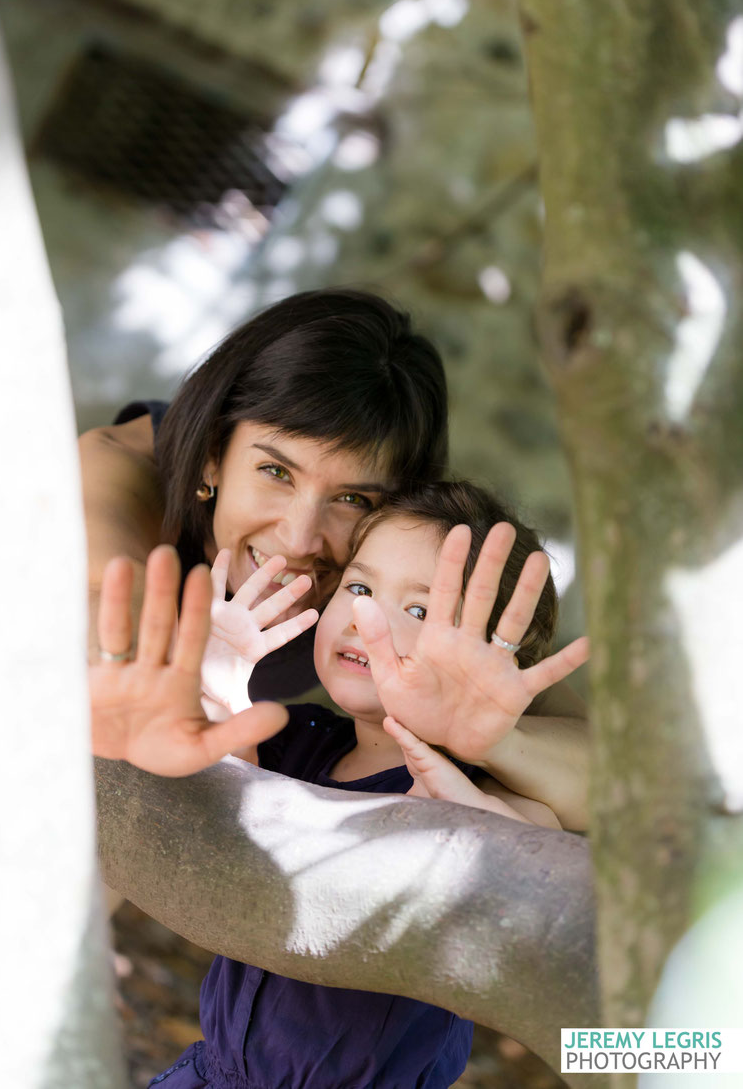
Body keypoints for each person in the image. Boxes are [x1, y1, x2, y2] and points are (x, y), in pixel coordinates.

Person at [91, 479, 588, 1089]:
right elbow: (227, 801)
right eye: (358, 586)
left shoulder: (466, 788)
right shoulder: (302, 735)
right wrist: (221, 691)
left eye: (420, 610)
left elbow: (540, 861)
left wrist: (473, 817)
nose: (365, 618)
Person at [82, 288, 589, 828]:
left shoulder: (399, 564)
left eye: (352, 500)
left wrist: (497, 740)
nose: (299, 539)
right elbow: (98, 612)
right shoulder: (113, 480)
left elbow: (603, 772)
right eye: (276, 472)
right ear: (212, 455)